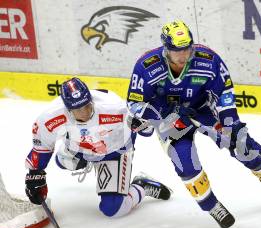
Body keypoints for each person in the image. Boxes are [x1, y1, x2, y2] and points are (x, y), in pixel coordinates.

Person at [126, 20, 261, 228]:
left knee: (243, 146)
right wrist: (163, 113)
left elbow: (225, 93)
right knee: (186, 163)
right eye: (177, 51)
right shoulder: (147, 66)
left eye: (186, 48)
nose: (183, 55)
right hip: (170, 122)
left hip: (203, 111)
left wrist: (232, 124)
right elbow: (134, 103)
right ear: (166, 50)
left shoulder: (208, 60)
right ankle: (212, 206)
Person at [24, 77, 172, 218]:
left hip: (114, 150)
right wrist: (36, 174)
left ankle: (142, 185)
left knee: (114, 209)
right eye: (77, 109)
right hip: (80, 148)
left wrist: (141, 125)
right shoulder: (50, 117)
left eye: (86, 105)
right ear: (67, 108)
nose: (84, 112)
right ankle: (80, 158)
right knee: (62, 161)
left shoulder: (116, 108)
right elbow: (41, 146)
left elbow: (147, 128)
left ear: (90, 99)